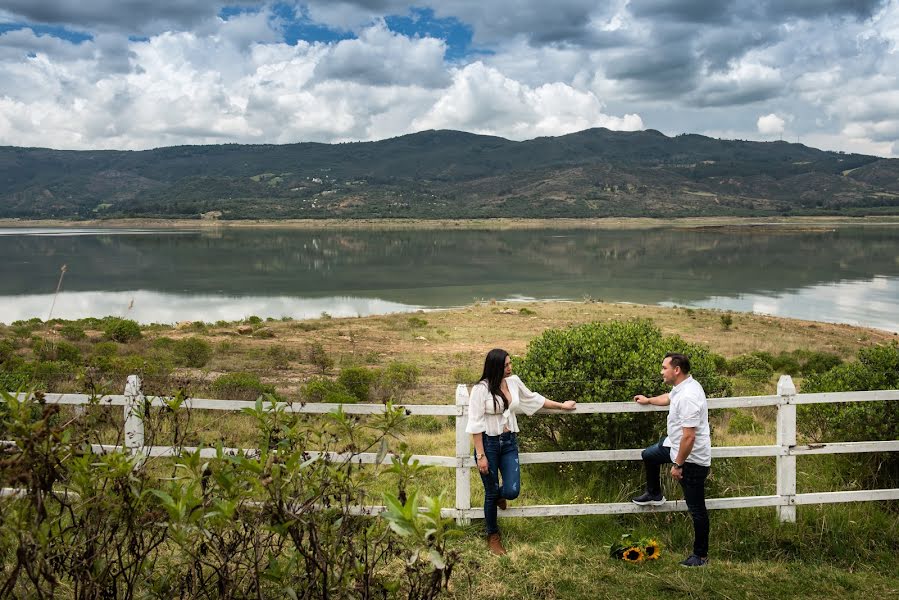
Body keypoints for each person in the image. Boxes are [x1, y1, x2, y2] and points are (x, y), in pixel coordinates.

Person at [466, 348, 576, 555]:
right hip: (488, 444)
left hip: (508, 442)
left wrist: (562, 406)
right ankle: (493, 535)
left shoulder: (514, 382)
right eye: (506, 365)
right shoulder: (480, 390)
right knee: (490, 493)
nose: (510, 368)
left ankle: (500, 496)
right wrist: (480, 455)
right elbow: (475, 424)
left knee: (512, 491)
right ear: (495, 366)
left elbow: (534, 399)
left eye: (510, 363)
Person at [632, 352, 711, 567]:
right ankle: (655, 493)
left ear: (676, 370)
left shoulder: (688, 396)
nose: (661, 371)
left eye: (664, 367)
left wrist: (678, 465)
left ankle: (700, 556)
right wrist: (648, 400)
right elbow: (668, 398)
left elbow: (690, 436)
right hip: (675, 447)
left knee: (696, 509)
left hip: (691, 459)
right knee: (649, 454)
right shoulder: (682, 388)